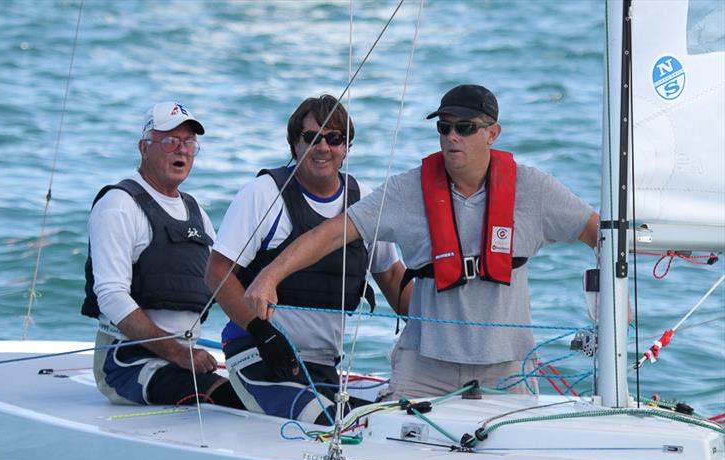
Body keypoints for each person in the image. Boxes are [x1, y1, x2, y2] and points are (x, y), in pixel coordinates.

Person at [244, 84, 599, 399]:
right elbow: (332, 233)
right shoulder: (407, 191)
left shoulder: (533, 188)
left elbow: (599, 234)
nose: (451, 137)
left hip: (505, 366)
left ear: (493, 133)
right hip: (425, 366)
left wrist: (613, 303)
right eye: (444, 128)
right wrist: (269, 276)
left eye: (464, 128)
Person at [205, 94, 410, 424]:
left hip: (323, 365)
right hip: (259, 355)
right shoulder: (263, 194)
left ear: (346, 147)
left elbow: (393, 280)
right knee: (331, 422)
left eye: (334, 138)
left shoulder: (363, 202)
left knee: (387, 421)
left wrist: (447, 324)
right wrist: (260, 330)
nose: (323, 147)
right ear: (294, 144)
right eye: (311, 137)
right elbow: (216, 273)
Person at [81, 101, 242, 408]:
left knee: (258, 390)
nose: (181, 150)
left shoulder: (198, 214)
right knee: (226, 395)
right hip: (125, 362)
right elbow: (111, 296)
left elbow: (227, 286)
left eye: (189, 142)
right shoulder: (119, 204)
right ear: (144, 148)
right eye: (170, 141)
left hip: (186, 358)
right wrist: (177, 353)